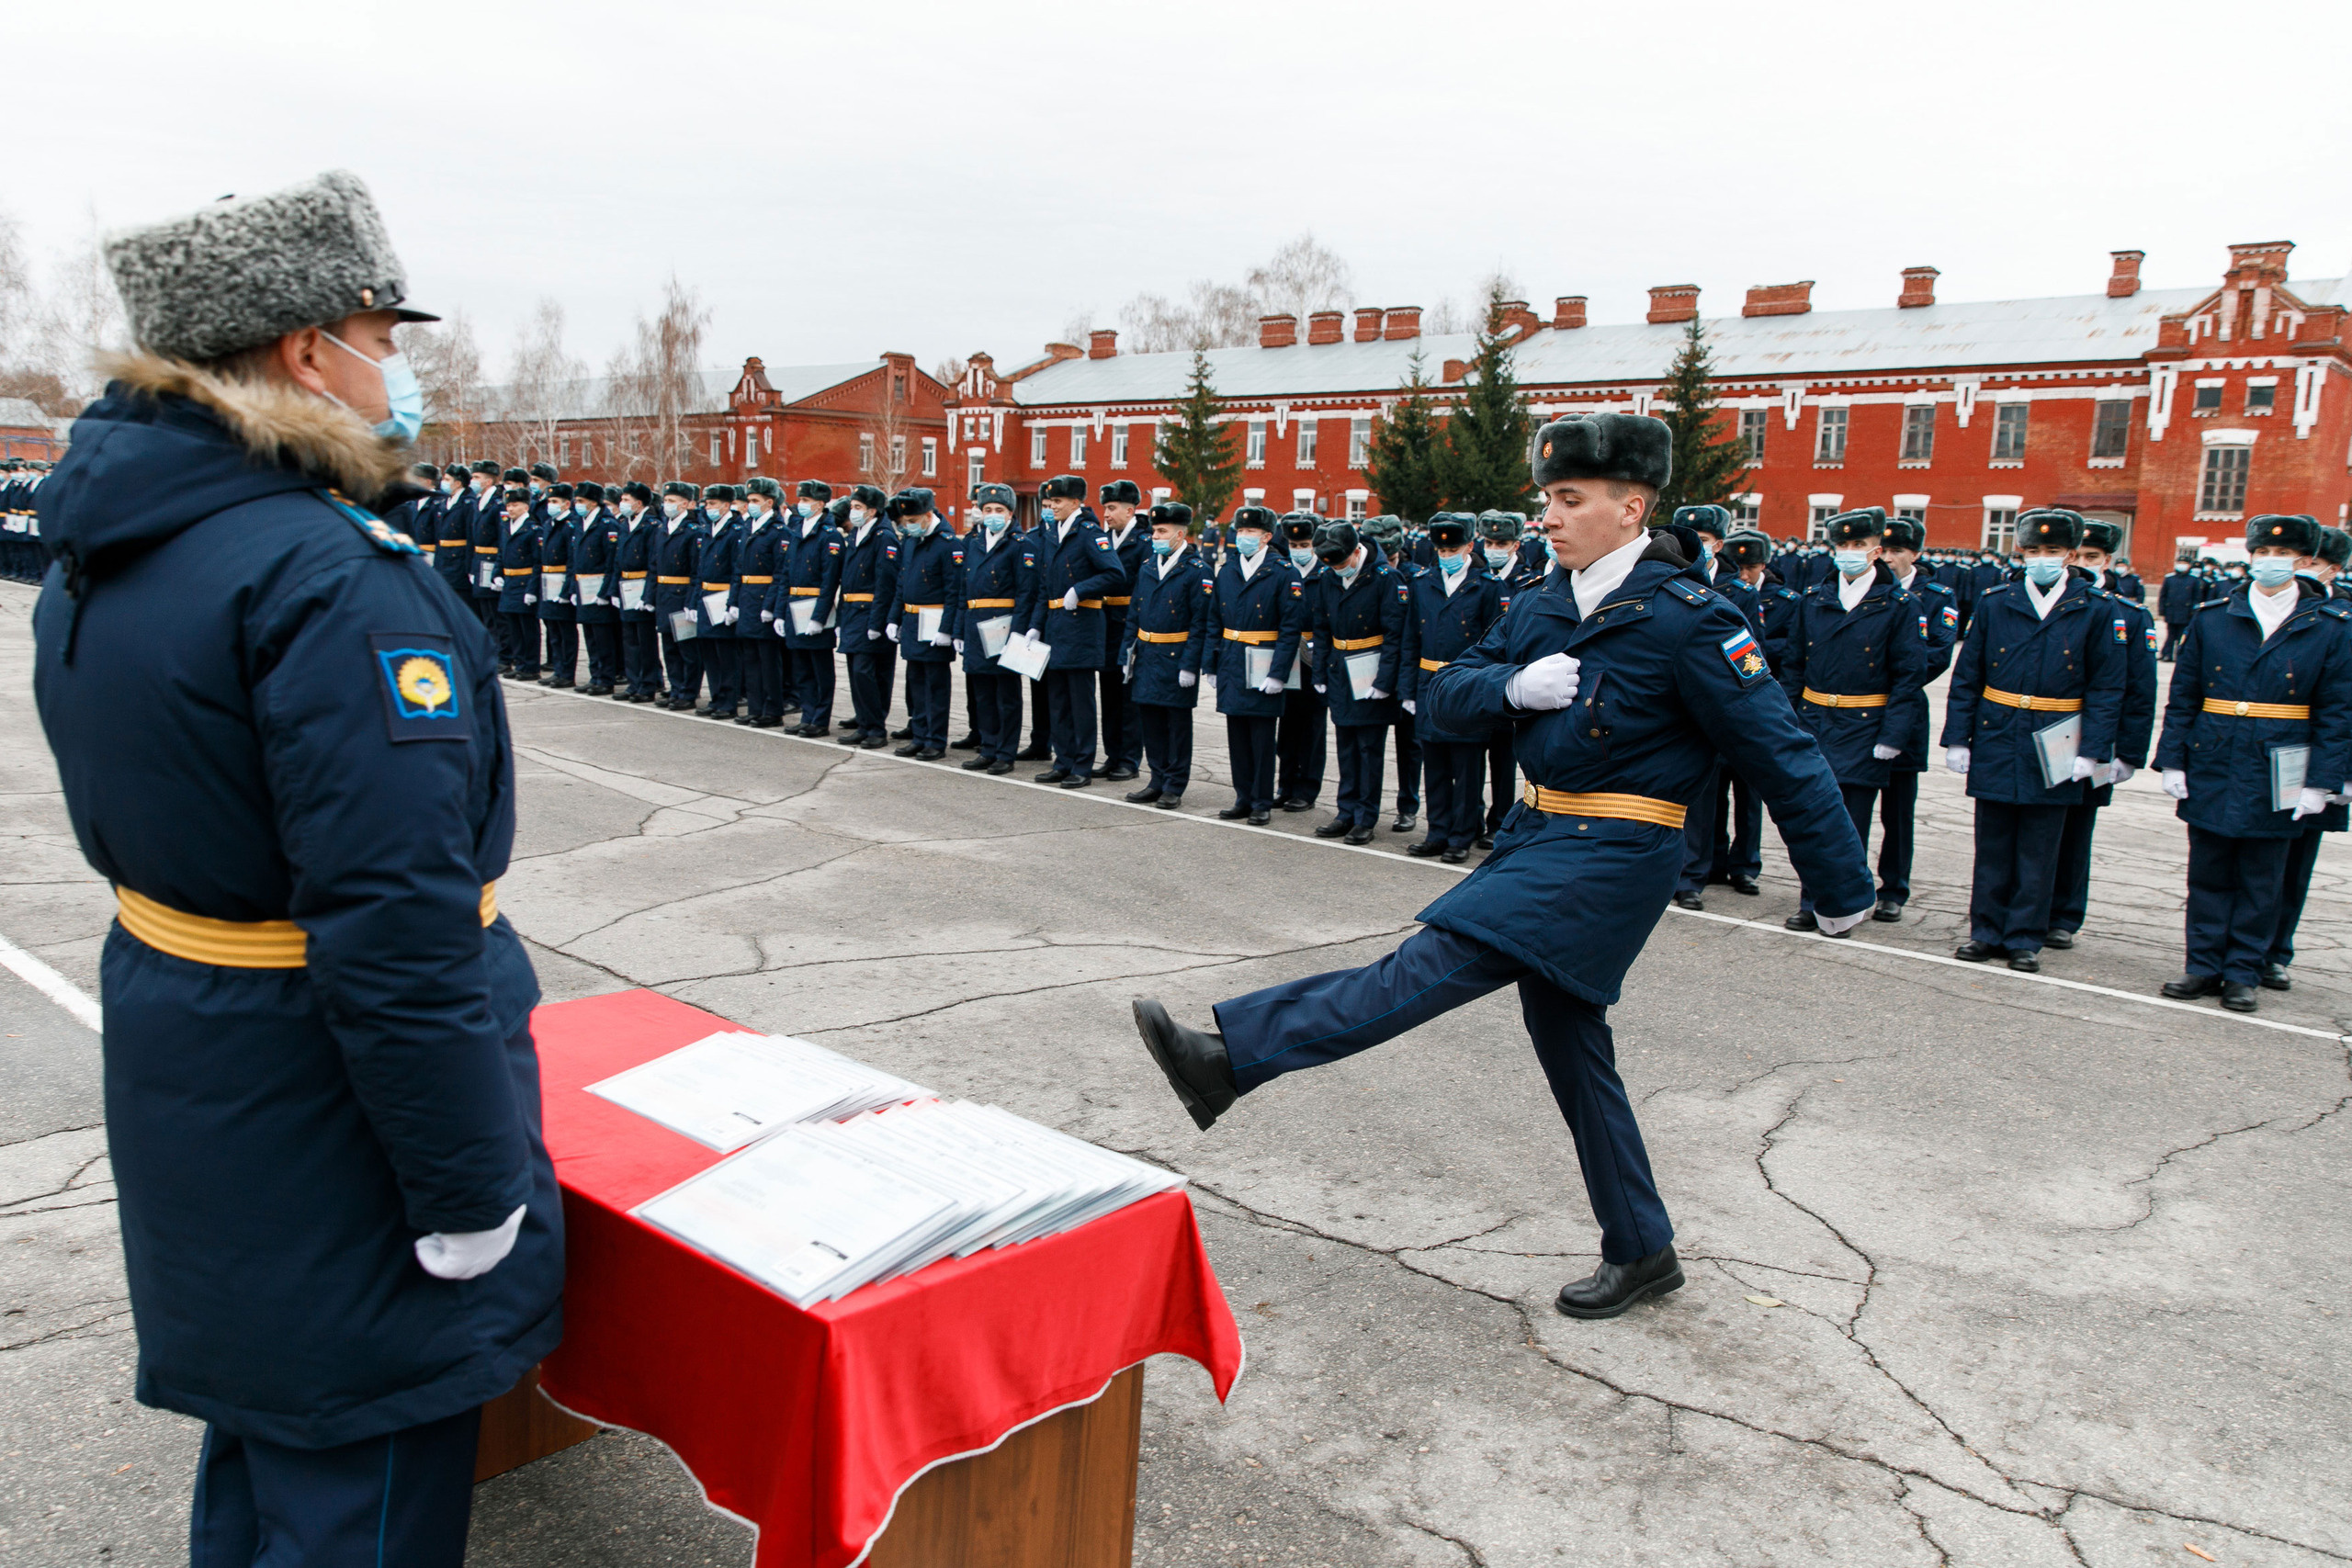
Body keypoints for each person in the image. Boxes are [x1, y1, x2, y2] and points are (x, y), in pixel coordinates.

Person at [32, 169, 558, 1568]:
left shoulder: (126, 540)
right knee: (361, 1480)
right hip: (331, 1118)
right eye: (382, 336)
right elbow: (397, 926)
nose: (398, 368)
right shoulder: (327, 578)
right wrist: (462, 1187)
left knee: (270, 1448)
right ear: (301, 349)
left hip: (209, 1065)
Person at [1131, 413, 1874, 1320]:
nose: (1549, 518)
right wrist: (1513, 686)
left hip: (1618, 852)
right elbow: (1445, 699)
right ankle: (1641, 1248)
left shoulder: (1692, 619)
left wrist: (1841, 888)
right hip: (1537, 835)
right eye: (1547, 500)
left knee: (1430, 960)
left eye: (1570, 500)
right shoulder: (1538, 603)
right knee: (1572, 1047)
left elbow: (1782, 752)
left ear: (1630, 507)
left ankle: (1231, 1058)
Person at [2154, 513, 2352, 1011]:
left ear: (2306, 562)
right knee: (2209, 871)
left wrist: (2321, 781)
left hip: (2280, 760)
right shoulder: (2215, 615)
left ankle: (2243, 970)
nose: (2269, 562)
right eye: (2261, 553)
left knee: (2262, 877)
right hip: (2216, 754)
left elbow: (2337, 711)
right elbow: (2184, 696)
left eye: (2281, 555)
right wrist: (2173, 760)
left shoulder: (2330, 627)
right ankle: (2202, 965)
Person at [1940, 509, 2128, 972]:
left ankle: (2025, 935)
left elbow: (2106, 688)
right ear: (2021, 552)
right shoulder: (1996, 601)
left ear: (2069, 555)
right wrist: (1958, 738)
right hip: (1999, 731)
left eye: (2053, 552)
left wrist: (2093, 751)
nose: (2042, 559)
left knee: (2040, 846)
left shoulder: (2096, 608)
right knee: (1994, 842)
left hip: (2058, 736)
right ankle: (1985, 930)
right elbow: (1969, 675)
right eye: (2034, 551)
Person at [1773, 508, 1935, 931]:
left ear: (1877, 551)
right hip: (1814, 721)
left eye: (1858, 546)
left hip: (1865, 724)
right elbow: (1794, 665)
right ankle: (1812, 900)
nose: (1848, 553)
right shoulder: (1814, 599)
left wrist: (1893, 734)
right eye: (1842, 545)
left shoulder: (1900, 604)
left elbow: (1908, 677)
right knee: (1814, 816)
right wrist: (1786, 720)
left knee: (1851, 823)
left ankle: (1844, 904)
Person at [2047, 520, 2159, 949]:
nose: (2085, 565)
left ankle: (2064, 914)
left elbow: (2138, 690)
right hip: (2044, 732)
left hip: (2095, 737)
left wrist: (2127, 752)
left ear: (2109, 562)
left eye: (2094, 558)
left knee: (2077, 829)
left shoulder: (2127, 613)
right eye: (2081, 556)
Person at [2264, 525, 2352, 987]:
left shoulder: (2343, 616)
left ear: (2331, 567)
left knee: (2297, 859)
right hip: (2267, 751)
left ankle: (2275, 949)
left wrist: (2342, 776)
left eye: (2309, 561)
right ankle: (2243, 945)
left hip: (2319, 756)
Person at [1867, 516, 1960, 919]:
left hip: (1905, 713)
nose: (1889, 558)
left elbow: (1938, 654)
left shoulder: (1937, 596)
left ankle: (1893, 888)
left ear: (1915, 555)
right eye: (1884, 550)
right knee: (1850, 804)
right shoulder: (1867, 589)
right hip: (1860, 711)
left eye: (1897, 552)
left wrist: (1892, 673)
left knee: (1898, 812)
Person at [1400, 513, 1507, 863]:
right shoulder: (1422, 582)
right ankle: (1437, 832)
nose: (1446, 553)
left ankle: (1462, 836)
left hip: (1466, 685)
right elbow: (1409, 641)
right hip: (1429, 681)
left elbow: (1495, 643)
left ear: (1469, 547)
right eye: (1441, 548)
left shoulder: (1487, 586)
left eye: (1453, 547)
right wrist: (1408, 690)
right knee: (1435, 767)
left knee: (1466, 769)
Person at [1304, 520, 1407, 845]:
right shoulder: (1327, 578)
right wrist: (1319, 672)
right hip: (1339, 669)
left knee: (1369, 749)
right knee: (1346, 747)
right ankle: (1345, 811)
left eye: (1340, 562)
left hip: (1370, 671)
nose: (1336, 569)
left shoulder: (1386, 579)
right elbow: (1321, 629)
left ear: (1357, 550)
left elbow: (1395, 635)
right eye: (1330, 564)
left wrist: (1384, 680)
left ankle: (1366, 816)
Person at [1021, 474, 1125, 785]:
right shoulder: (1052, 533)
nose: (1051, 507)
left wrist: (1081, 589)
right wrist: (1035, 626)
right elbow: (1044, 585)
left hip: (1082, 625)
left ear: (1077, 503)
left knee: (1080, 702)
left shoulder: (1089, 533)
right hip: (1055, 626)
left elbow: (1114, 572)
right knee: (1059, 700)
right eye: (1049, 502)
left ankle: (1082, 765)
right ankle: (1062, 761)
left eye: (1058, 502)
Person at [1205, 505, 1305, 824]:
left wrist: (1279, 673)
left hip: (1264, 657)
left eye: (1251, 532)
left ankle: (1262, 801)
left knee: (1262, 738)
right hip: (1233, 657)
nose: (1243, 537)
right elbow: (1214, 620)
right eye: (1241, 531)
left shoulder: (1284, 572)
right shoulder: (1228, 569)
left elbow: (1291, 628)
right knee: (1237, 735)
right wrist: (1211, 664)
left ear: (1266, 537)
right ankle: (1243, 797)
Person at [1119, 501, 1212, 808]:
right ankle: (1157, 779)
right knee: (1152, 723)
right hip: (1147, 655)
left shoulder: (1197, 571)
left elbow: (1201, 622)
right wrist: (1126, 656)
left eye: (1162, 531)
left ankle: (1174, 784)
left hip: (1175, 657)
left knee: (1176, 727)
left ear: (1180, 534)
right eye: (1154, 531)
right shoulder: (1148, 567)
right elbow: (1134, 614)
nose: (1155, 537)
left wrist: (1190, 665)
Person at [954, 483, 1035, 773]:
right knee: (983, 692)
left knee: (1006, 694)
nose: (992, 515)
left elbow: (1027, 593)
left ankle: (1005, 753)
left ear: (1010, 513)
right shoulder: (973, 543)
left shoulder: (1021, 545)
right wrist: (958, 631)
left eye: (999, 510)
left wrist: (1019, 632)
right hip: (976, 625)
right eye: (987, 510)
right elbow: (963, 590)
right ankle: (988, 748)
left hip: (1005, 624)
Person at [887, 488, 961, 759]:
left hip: (934, 623)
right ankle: (919, 735)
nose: (909, 525)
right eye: (906, 521)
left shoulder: (948, 543)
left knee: (935, 686)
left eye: (914, 520)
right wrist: (893, 618)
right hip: (912, 620)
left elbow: (955, 591)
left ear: (929, 515)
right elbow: (902, 583)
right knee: (915, 683)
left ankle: (936, 740)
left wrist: (946, 629)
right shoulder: (910, 541)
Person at [1273, 513, 1331, 813]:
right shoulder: (1282, 571)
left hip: (1313, 658)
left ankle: (1306, 789)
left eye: (1304, 543)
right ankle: (1285, 785)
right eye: (1294, 543)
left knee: (1311, 728)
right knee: (1286, 727)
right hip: (1285, 654)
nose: (1298, 548)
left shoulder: (1326, 573)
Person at [835, 483, 899, 748]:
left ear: (873, 511)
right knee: (855, 671)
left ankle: (875, 728)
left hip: (871, 613)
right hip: (852, 611)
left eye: (859, 508)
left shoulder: (884, 537)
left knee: (868, 672)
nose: (854, 512)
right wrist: (840, 617)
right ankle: (864, 723)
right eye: (852, 507)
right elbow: (847, 581)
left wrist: (877, 621)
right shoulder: (858, 534)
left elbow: (886, 583)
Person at [777, 479, 842, 735]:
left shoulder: (830, 536)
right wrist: (781, 612)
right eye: (800, 500)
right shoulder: (796, 531)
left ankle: (820, 719)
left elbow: (829, 582)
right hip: (794, 606)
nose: (800, 505)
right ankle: (807, 714)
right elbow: (785, 574)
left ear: (820, 504)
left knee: (820, 667)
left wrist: (820, 617)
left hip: (815, 606)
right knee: (801, 667)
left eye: (805, 500)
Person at [1093, 479, 1147, 781]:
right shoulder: (1104, 539)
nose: (1107, 514)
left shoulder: (1143, 542)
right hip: (1105, 624)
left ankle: (1129, 759)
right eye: (1106, 508)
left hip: (1129, 623)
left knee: (1128, 697)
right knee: (1109, 694)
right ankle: (1112, 755)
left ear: (1130, 510)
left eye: (1112, 508)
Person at [732, 478, 789, 728]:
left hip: (764, 598)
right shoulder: (748, 527)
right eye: (749, 500)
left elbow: (780, 574)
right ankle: (755, 707)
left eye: (755, 501)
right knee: (751, 659)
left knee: (768, 660)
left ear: (770, 502)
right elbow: (738, 569)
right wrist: (733, 602)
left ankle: (772, 709)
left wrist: (771, 607)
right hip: (746, 599)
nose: (751, 505)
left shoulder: (779, 531)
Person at [652, 480, 706, 709]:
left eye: (672, 501)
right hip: (665, 593)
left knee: (687, 649)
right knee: (670, 647)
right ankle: (675, 688)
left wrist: (691, 601)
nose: (667, 505)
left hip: (682, 594)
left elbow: (696, 571)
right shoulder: (663, 528)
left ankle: (688, 691)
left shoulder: (693, 531)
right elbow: (655, 565)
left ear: (686, 504)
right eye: (666, 500)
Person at [695, 485, 745, 719]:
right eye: (706, 504)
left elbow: (737, 570)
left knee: (726, 654)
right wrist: (693, 601)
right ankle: (716, 698)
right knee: (710, 653)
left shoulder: (735, 531)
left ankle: (728, 701)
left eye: (713, 504)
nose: (708, 508)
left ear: (726, 505)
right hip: (706, 597)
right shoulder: (708, 529)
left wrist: (732, 604)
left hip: (722, 598)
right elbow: (700, 570)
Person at [614, 482, 666, 704]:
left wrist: (648, 595)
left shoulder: (651, 525)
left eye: (626, 500)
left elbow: (654, 562)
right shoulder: (626, 523)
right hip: (626, 585)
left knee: (645, 640)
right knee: (630, 638)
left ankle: (648, 683)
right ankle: (634, 682)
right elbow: (618, 559)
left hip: (642, 584)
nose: (622, 504)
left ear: (639, 503)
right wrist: (614, 589)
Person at [570, 482, 622, 695]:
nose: (577, 505)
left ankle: (606, 678)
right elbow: (576, 560)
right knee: (590, 636)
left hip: (598, 587)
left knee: (603, 637)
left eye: (581, 501)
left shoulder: (606, 525)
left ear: (593, 502)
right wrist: (573, 588)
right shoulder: (581, 523)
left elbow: (611, 562)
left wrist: (605, 592)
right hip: (584, 586)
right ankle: (595, 675)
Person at [493, 484, 542, 681]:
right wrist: (497, 574)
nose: (510, 508)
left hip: (524, 582)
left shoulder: (532, 529)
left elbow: (538, 562)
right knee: (513, 627)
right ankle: (520, 663)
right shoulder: (507, 526)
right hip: (510, 582)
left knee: (527, 627)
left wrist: (532, 589)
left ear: (525, 507)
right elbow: (501, 554)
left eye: (515, 505)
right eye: (509, 505)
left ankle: (530, 666)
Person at [535, 483, 579, 687]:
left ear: (566, 504)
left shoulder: (571, 525)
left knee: (565, 630)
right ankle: (558, 669)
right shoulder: (548, 524)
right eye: (549, 502)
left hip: (561, 581)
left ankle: (567, 673)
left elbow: (572, 561)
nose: (550, 506)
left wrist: (568, 589)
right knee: (553, 629)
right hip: (548, 581)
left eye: (554, 502)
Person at [2156, 554, 2207, 660]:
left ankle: (2179, 655)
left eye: (2184, 563)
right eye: (2180, 563)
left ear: (2189, 565)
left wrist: (2193, 611)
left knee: (2182, 636)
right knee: (2170, 635)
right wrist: (2162, 610)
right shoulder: (2170, 579)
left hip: (2186, 613)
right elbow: (2163, 596)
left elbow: (2197, 598)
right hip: (2171, 611)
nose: (2182, 565)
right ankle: (2166, 654)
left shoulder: (2193, 580)